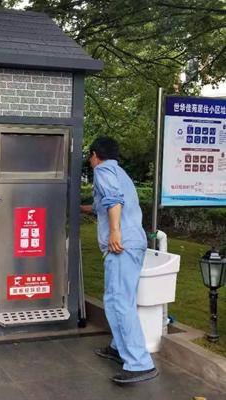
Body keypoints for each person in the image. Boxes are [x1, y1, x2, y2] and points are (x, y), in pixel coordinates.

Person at [81, 137, 158, 384]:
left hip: (122, 245)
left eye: (90, 157)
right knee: (121, 299)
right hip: (134, 243)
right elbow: (102, 206)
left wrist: (115, 232)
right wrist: (77, 206)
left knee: (118, 302)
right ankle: (117, 347)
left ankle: (139, 363)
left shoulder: (102, 170)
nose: (90, 161)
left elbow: (114, 201)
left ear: (95, 155)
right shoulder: (119, 172)